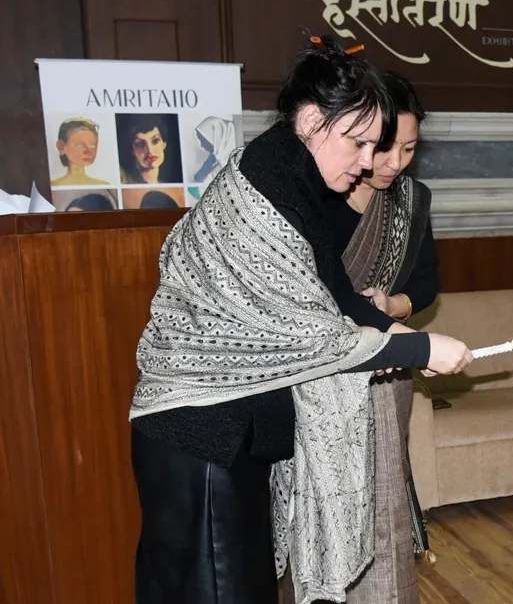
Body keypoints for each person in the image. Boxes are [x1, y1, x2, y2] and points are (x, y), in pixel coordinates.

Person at [127, 35, 473, 604]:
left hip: (229, 434)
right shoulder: (269, 190)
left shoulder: (292, 173)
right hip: (200, 438)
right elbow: (314, 335)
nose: (368, 162)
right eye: (359, 144)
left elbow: (334, 293)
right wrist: (420, 350)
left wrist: (398, 329)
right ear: (312, 121)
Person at [326, 71, 437, 603]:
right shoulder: (321, 191)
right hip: (319, 380)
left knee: (384, 504)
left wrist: (392, 307)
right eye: (384, 148)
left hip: (386, 374)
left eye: (409, 150)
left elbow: (428, 283)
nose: (394, 164)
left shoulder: (411, 201)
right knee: (325, 508)